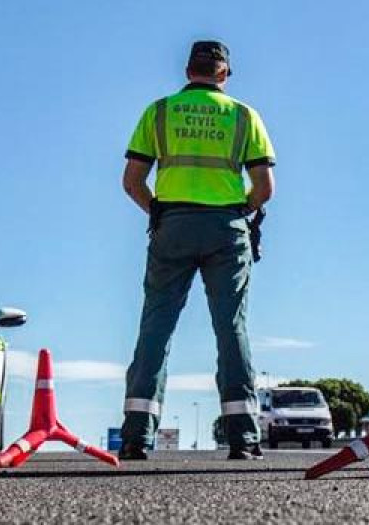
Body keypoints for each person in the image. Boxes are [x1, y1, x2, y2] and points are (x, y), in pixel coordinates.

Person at [117, 40, 276, 461]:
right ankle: (243, 438)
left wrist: (160, 214)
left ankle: (136, 436)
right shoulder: (244, 116)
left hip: (172, 226)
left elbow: (132, 180)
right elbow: (265, 188)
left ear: (189, 72)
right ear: (224, 73)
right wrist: (240, 210)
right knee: (231, 329)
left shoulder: (160, 111)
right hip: (226, 228)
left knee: (156, 328)